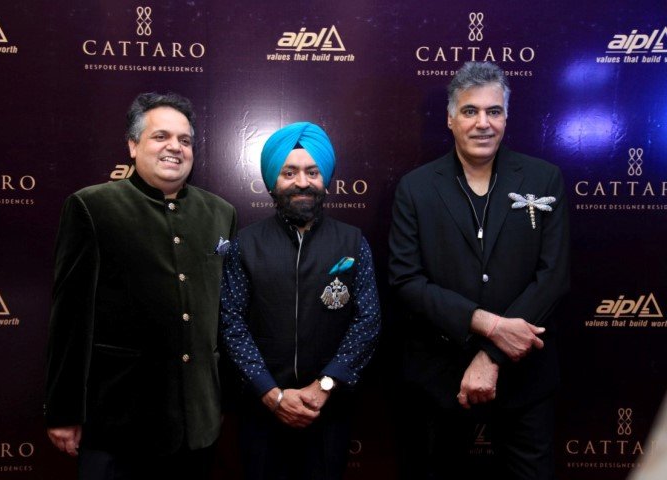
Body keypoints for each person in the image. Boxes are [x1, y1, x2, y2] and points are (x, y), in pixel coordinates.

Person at [388, 62, 570, 480]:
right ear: (450, 119)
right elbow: (406, 280)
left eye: (494, 111)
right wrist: (486, 324)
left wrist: (492, 355)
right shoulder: (415, 188)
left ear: (506, 117)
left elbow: (553, 277)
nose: (483, 123)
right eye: (470, 111)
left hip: (525, 376)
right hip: (438, 377)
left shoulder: (544, 179)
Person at [44, 92, 237, 479]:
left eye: (185, 140)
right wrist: (64, 411)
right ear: (133, 146)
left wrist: (217, 400)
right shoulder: (92, 207)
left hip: (196, 427)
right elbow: (70, 320)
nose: (175, 147)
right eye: (160, 136)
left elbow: (222, 317)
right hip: (118, 422)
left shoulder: (221, 213)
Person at [219, 122, 381, 480]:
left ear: (325, 179)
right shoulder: (246, 244)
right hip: (262, 410)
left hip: (327, 410)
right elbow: (231, 322)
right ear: (272, 181)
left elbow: (367, 321)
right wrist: (271, 394)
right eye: (289, 173)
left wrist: (324, 386)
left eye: (312, 172)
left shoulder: (353, 242)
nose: (302, 182)